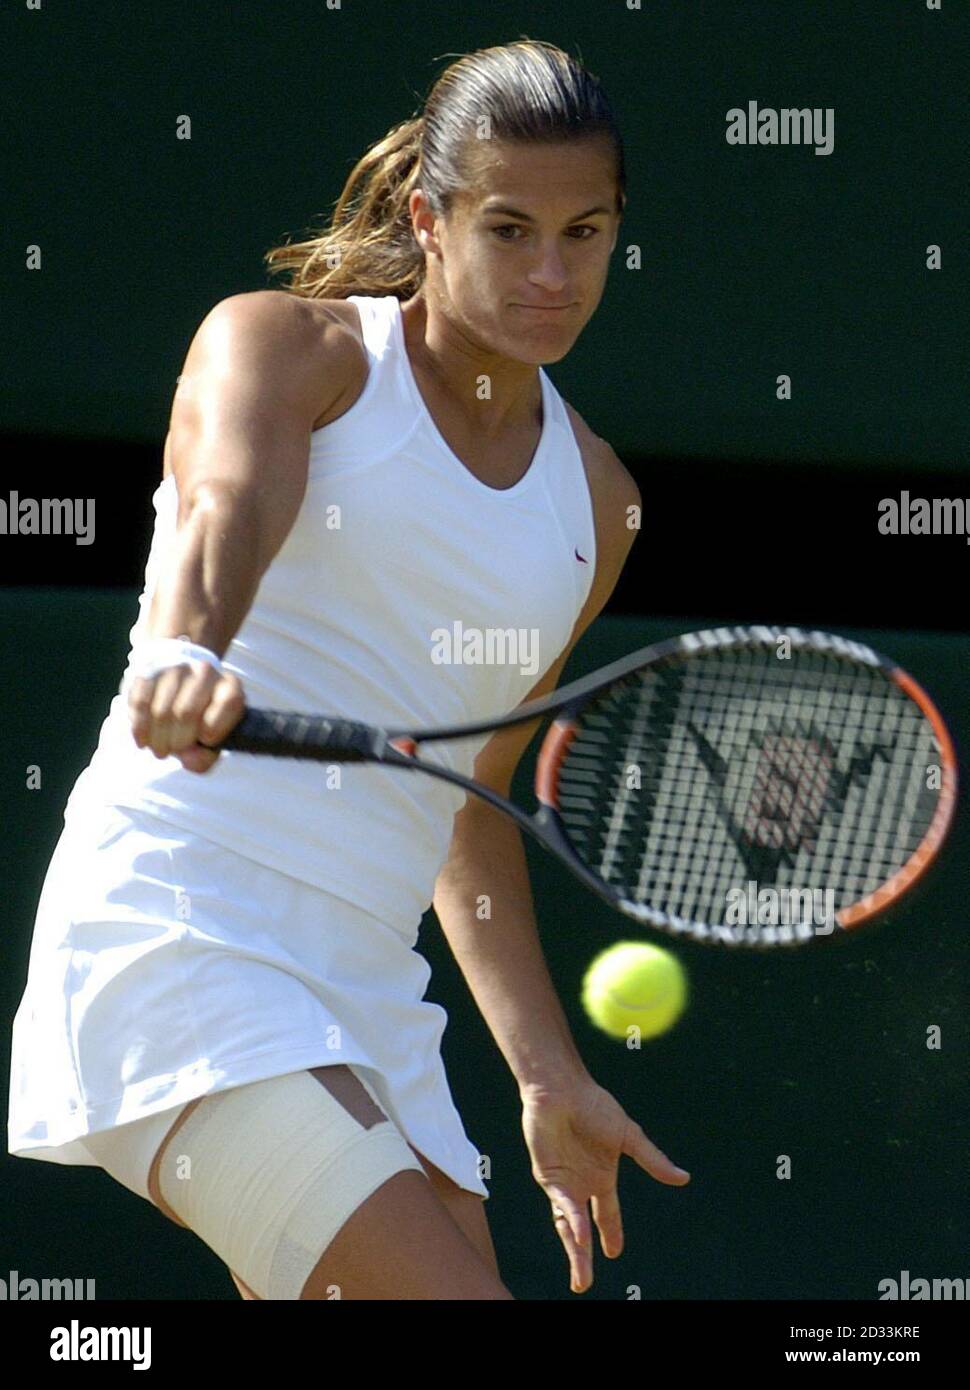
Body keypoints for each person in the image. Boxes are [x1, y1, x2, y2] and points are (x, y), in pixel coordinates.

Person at [7, 38, 689, 1301]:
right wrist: (184, 653)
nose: (550, 273)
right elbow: (224, 505)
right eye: (508, 228)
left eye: (585, 232)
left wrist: (544, 1073)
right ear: (428, 219)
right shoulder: (290, 349)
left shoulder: (597, 504)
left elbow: (465, 812)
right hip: (181, 931)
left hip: (370, 1000)